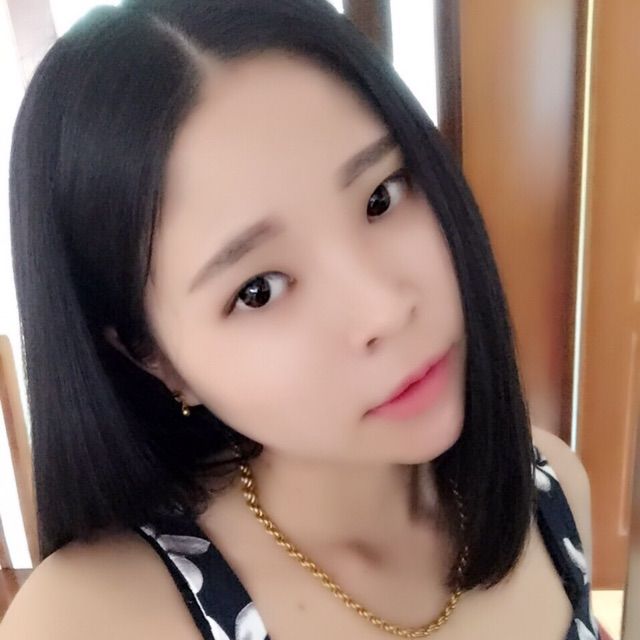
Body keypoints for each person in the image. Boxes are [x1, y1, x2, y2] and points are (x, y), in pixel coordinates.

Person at [0, 1, 600, 639]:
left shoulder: (552, 492)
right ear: (155, 358)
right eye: (258, 290)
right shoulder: (89, 622)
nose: (384, 308)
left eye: (381, 197)